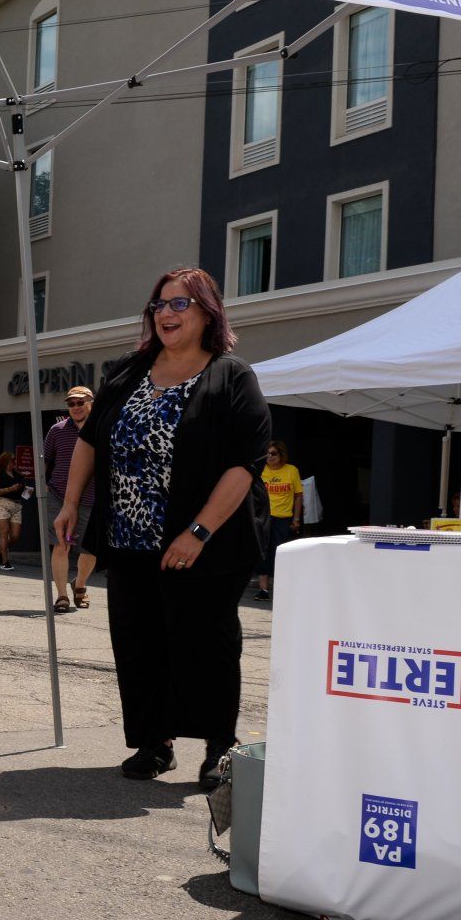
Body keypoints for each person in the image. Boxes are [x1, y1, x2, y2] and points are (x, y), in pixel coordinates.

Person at [54, 268, 270, 791]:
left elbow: (245, 463)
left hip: (206, 542)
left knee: (206, 643)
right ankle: (156, 743)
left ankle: (219, 744)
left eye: (180, 304)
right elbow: (91, 440)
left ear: (207, 313)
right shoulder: (130, 371)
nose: (166, 314)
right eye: (159, 305)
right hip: (129, 537)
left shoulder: (231, 376)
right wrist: (69, 504)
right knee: (139, 641)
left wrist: (197, 532)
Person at [43, 387, 100, 612]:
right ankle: (62, 597)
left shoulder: (102, 429)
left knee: (91, 549)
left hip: (92, 498)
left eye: (80, 402)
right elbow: (45, 462)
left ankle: (80, 584)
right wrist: (43, 486)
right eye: (71, 404)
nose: (75, 407)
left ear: (91, 402)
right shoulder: (57, 430)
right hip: (59, 496)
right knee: (60, 545)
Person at [256, 441, 303, 600]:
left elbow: (298, 495)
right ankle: (264, 590)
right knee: (263, 551)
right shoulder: (261, 470)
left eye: (274, 453)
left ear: (281, 454)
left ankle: (280, 588)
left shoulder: (291, 470)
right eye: (267, 453)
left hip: (283, 517)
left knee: (279, 551)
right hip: (264, 517)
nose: (270, 456)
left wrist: (296, 518)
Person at [0, 452, 26, 571]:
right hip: (1, 503)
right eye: (11, 461)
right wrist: (10, 489)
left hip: (17, 504)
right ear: (4, 462)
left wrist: (27, 492)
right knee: (4, 532)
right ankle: (5, 562)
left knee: (15, 535)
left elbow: (23, 488)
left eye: (14, 461)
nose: (13, 463)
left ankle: (0, 550)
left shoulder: (17, 474)